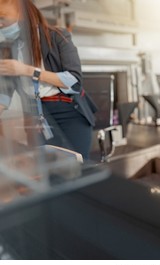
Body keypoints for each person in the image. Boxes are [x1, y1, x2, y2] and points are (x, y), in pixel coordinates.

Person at [0, 0, 96, 160]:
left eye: (2, 17)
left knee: (75, 168)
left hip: (69, 112)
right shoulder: (8, 48)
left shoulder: (57, 36)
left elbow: (74, 81)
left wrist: (27, 70)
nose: (0, 24)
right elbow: (4, 93)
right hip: (36, 116)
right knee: (45, 172)